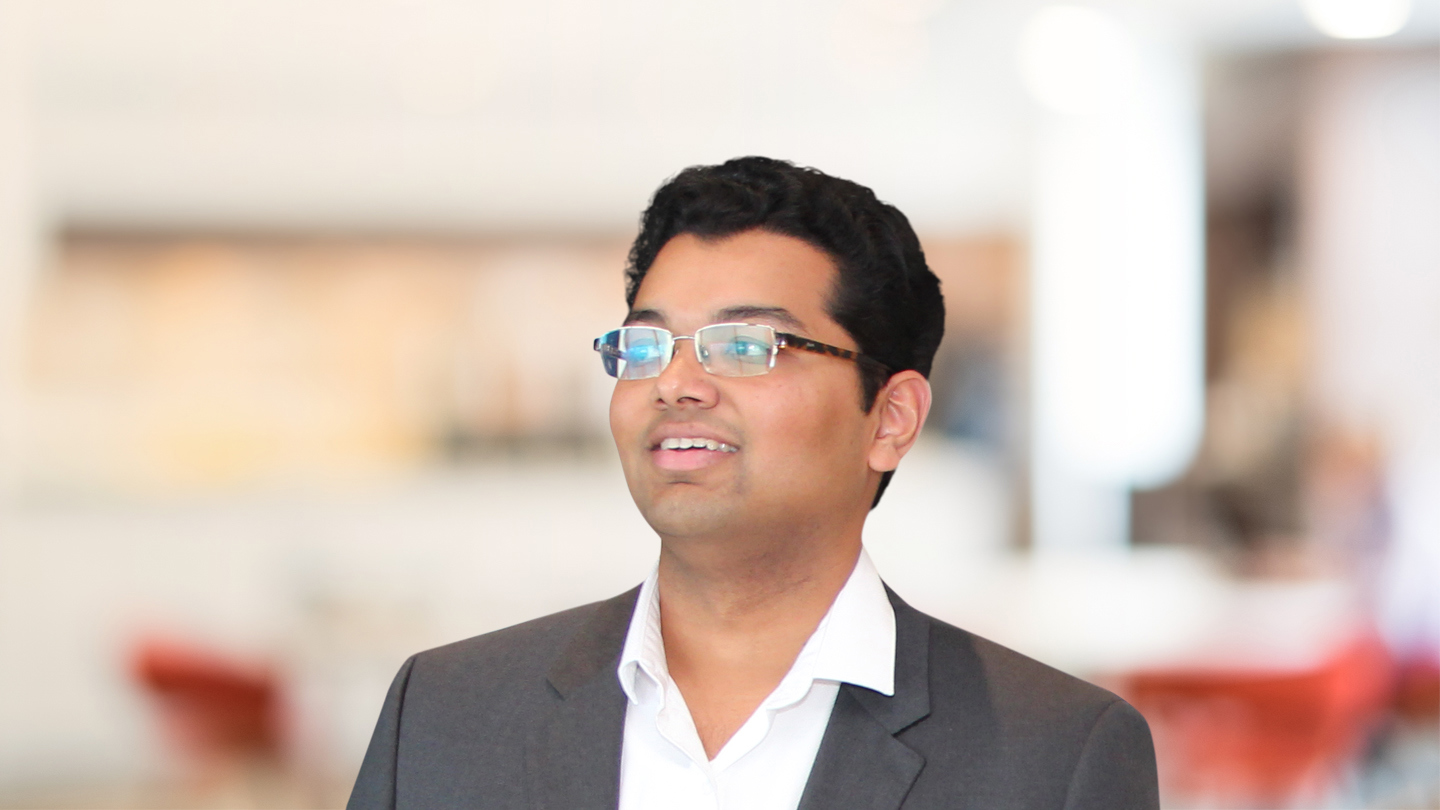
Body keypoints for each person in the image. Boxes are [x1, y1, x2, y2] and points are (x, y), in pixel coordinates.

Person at [348, 157, 1160, 810]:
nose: (676, 384)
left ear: (890, 419)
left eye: (745, 347)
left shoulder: (1054, 756)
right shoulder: (448, 713)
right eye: (646, 346)